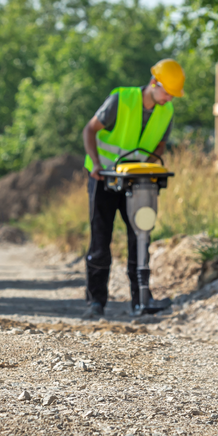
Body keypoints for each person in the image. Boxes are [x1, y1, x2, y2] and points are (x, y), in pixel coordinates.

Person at [80, 59, 185, 319]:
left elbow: (160, 144)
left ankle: (141, 301)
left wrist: (149, 163)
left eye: (173, 95)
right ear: (154, 83)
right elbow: (89, 130)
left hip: (137, 182)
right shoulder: (121, 99)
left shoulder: (166, 111)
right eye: (167, 92)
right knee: (100, 240)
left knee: (140, 238)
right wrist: (94, 164)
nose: (169, 98)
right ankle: (96, 302)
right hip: (104, 178)